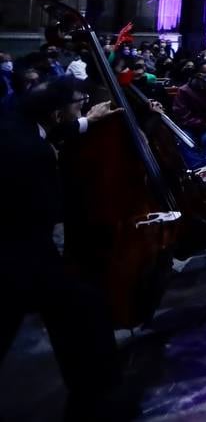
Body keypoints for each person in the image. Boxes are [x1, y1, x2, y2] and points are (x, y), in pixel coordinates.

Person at [0, 79, 136, 420]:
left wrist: (89, 119)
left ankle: (96, 393)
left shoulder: (18, 116)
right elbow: (49, 211)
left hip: (19, 242)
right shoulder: (31, 151)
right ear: (58, 112)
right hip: (18, 248)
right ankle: (99, 400)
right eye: (80, 102)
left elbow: (58, 127)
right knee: (80, 305)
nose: (83, 105)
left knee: (78, 308)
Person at [172, 60, 206, 149]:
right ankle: (197, 163)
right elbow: (181, 115)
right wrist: (205, 123)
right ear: (199, 74)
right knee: (185, 140)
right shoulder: (184, 90)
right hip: (190, 126)